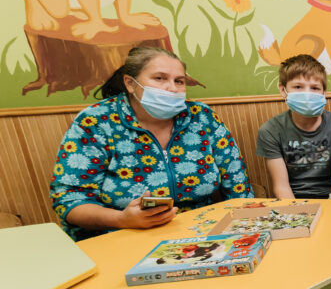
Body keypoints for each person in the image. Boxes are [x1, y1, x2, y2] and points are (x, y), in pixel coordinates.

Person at [49, 46, 253, 241]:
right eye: (160, 78)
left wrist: (250, 229)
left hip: (200, 230)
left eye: (179, 81)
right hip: (121, 234)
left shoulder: (202, 117)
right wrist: (122, 219)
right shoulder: (96, 122)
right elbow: (69, 199)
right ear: (130, 83)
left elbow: (238, 183)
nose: (171, 88)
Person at [257, 54, 331, 199]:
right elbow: (281, 187)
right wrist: (297, 211)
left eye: (315, 88)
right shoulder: (270, 131)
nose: (307, 94)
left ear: (324, 93)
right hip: (293, 200)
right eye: (298, 87)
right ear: (283, 90)